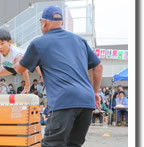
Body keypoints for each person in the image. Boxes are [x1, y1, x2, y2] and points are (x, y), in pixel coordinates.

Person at [14, 5, 103, 147]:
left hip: (64, 101)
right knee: (73, 144)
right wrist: (95, 92)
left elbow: (20, 68)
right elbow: (98, 67)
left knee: (52, 144)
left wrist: (15, 59)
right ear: (61, 22)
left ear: (43, 23)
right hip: (86, 102)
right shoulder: (80, 41)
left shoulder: (39, 43)